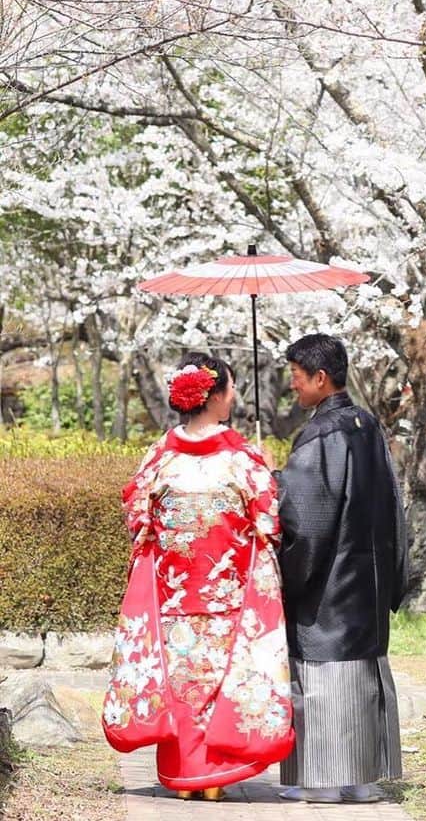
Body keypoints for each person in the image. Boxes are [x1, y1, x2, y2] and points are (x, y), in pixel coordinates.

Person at [102, 352, 294, 800]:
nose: (233, 396)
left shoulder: (159, 458)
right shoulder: (243, 459)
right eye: (229, 388)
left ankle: (183, 779)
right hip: (228, 590)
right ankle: (212, 781)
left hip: (173, 591)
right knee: (222, 676)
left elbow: (138, 516)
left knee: (179, 675)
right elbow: (269, 521)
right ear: (214, 398)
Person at [276, 333, 409, 804]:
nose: (292, 387)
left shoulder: (321, 434)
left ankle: (324, 780)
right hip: (366, 578)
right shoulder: (367, 425)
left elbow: (307, 518)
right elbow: (394, 503)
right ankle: (364, 778)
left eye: (296, 377)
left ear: (319, 378)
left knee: (324, 668)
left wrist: (274, 484)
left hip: (330, 578)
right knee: (363, 668)